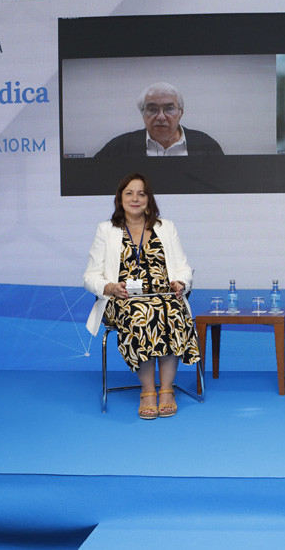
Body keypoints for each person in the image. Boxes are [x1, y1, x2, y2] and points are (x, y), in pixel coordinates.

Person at [83, 172, 200, 419]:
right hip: (123, 299)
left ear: (149, 199)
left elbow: (184, 267)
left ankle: (166, 390)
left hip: (165, 296)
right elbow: (90, 276)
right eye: (129, 193)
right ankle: (148, 391)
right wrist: (110, 287)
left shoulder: (165, 228)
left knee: (170, 310)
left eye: (141, 193)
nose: (135, 198)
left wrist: (181, 282)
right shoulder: (106, 230)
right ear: (120, 198)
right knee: (142, 312)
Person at [94, 82, 224, 157]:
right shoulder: (118, 148)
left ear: (181, 113)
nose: (161, 117)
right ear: (143, 113)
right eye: (152, 109)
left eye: (169, 108)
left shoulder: (207, 146)